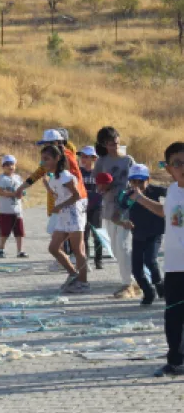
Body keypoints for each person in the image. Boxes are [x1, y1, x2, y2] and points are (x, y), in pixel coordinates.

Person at [16, 129, 87, 265]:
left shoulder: (66, 157)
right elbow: (38, 173)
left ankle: (80, 273)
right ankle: (70, 268)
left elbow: (74, 187)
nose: (45, 147)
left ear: (56, 143)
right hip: (63, 201)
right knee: (56, 242)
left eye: (47, 144)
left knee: (76, 243)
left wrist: (60, 204)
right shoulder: (51, 159)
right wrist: (21, 187)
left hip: (74, 201)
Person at [148, 142, 184, 377]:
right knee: (173, 315)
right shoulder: (172, 190)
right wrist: (140, 199)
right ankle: (175, 361)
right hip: (173, 265)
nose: (183, 167)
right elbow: (166, 213)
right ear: (169, 168)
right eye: (178, 163)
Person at [94, 126, 140, 298]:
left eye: (117, 143)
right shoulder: (102, 161)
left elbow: (138, 180)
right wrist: (104, 186)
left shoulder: (128, 160)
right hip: (109, 208)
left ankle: (127, 283)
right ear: (104, 144)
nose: (115, 146)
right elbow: (97, 184)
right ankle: (135, 281)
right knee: (114, 247)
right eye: (111, 143)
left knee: (123, 245)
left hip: (126, 207)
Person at [41, 144, 90, 293]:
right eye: (42, 159)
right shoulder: (53, 177)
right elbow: (58, 194)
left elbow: (76, 196)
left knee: (78, 250)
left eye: (47, 159)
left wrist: (60, 205)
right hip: (63, 215)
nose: (43, 162)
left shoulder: (66, 176)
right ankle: (73, 274)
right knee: (53, 248)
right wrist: (47, 187)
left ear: (57, 158)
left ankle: (83, 282)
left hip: (74, 213)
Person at [117, 164, 168, 306]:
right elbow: (121, 209)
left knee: (150, 261)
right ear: (130, 182)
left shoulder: (155, 190)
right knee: (136, 269)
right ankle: (148, 292)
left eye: (141, 181)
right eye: (134, 181)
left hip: (154, 233)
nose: (138, 185)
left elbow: (172, 193)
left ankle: (159, 285)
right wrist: (123, 220)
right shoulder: (128, 195)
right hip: (138, 234)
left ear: (148, 180)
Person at [0, 155, 27, 259]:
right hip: (5, 210)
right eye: (7, 165)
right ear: (3, 167)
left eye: (12, 164)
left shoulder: (18, 178)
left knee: (19, 232)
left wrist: (22, 193)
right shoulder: (2, 178)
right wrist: (14, 194)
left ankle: (20, 251)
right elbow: (1, 192)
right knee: (5, 232)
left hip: (17, 210)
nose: (10, 167)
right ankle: (1, 249)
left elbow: (22, 190)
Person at [79, 146, 105, 269]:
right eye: (81, 156)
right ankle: (85, 260)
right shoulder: (78, 171)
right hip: (83, 207)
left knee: (97, 234)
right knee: (84, 235)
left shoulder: (99, 172)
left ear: (93, 158)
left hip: (97, 206)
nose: (82, 159)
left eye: (85, 156)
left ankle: (98, 260)